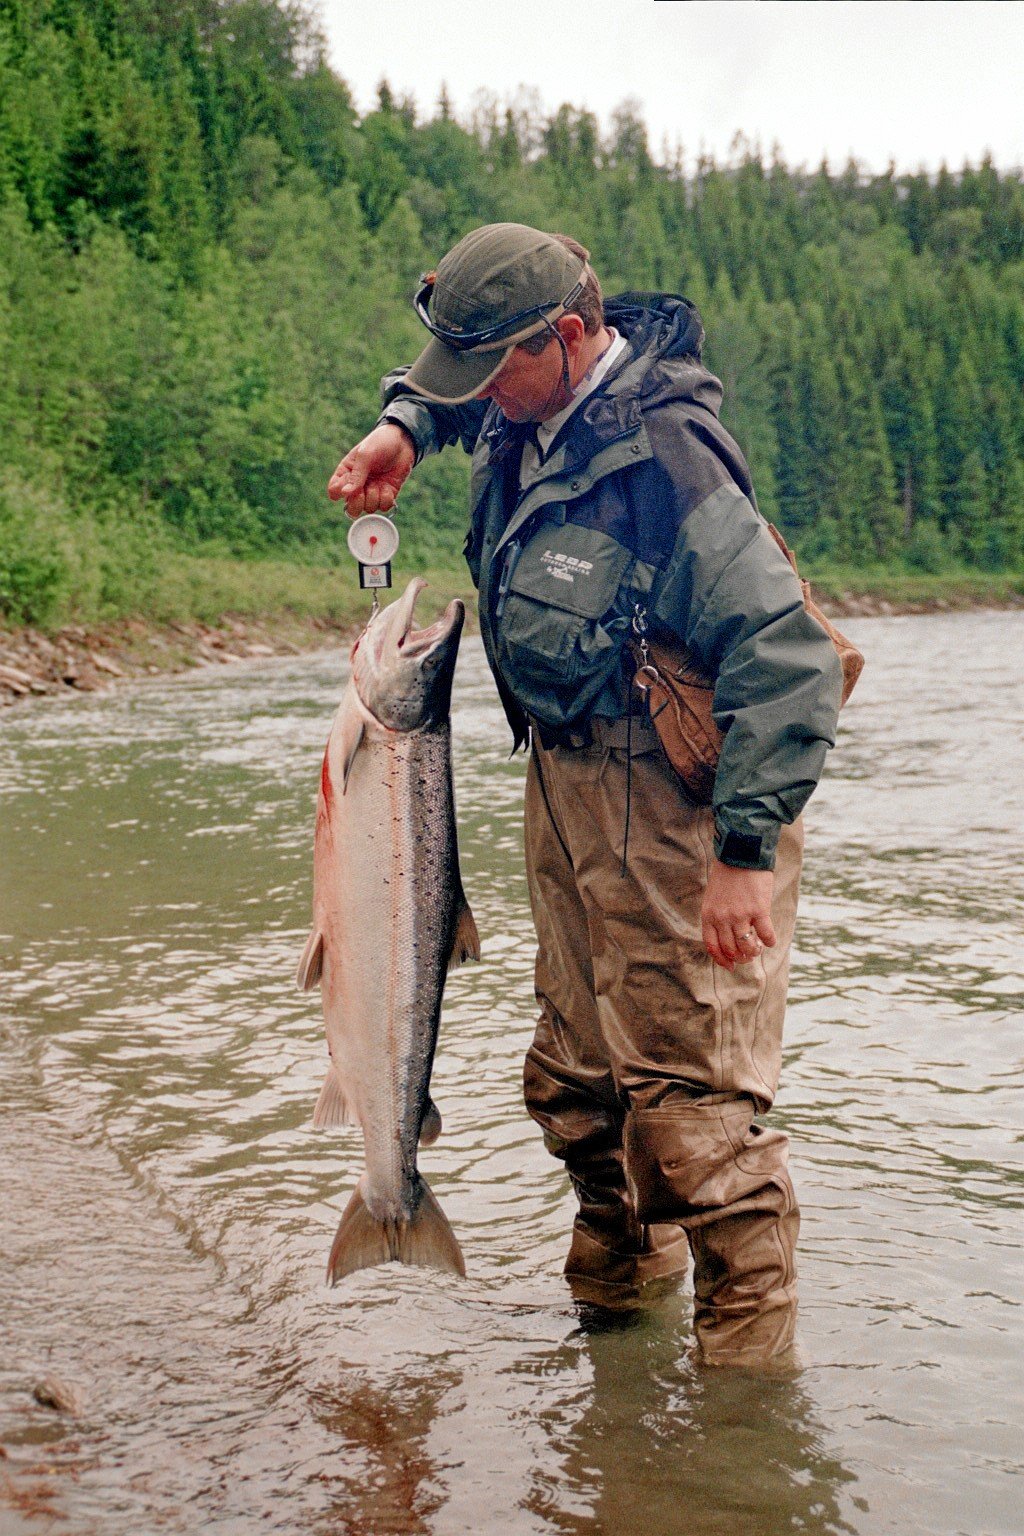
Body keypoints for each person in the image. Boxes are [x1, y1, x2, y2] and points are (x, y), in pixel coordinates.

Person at [328, 223, 843, 1365]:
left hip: (675, 813)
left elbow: (789, 656)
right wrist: (405, 423)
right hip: (563, 788)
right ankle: (615, 1337)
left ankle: (741, 1439)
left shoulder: (673, 461)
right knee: (576, 1087)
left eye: (491, 371)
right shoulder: (527, 398)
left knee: (696, 1127)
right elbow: (459, 392)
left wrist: (744, 856)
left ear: (566, 336)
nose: (478, 397)